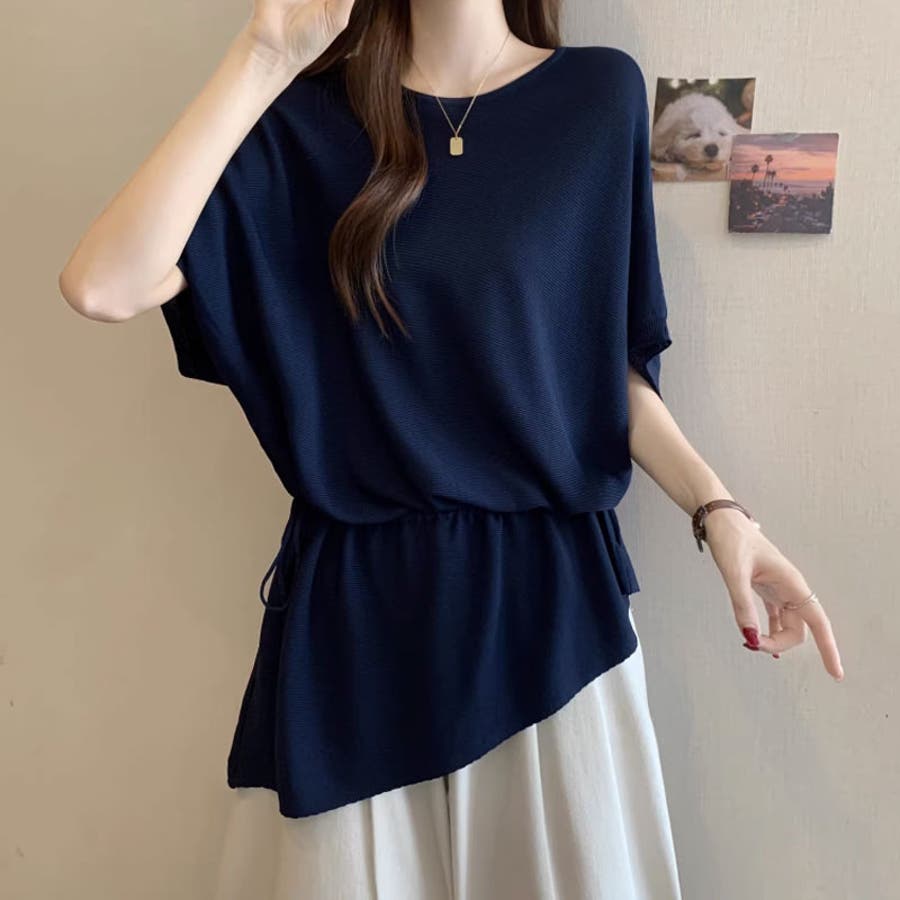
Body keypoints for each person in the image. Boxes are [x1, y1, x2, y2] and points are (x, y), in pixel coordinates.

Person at [58, 0, 844, 896]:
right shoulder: (299, 118)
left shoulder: (597, 97)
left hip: (548, 607)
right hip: (356, 611)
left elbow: (601, 375)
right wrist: (264, 54)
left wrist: (720, 512)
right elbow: (102, 285)